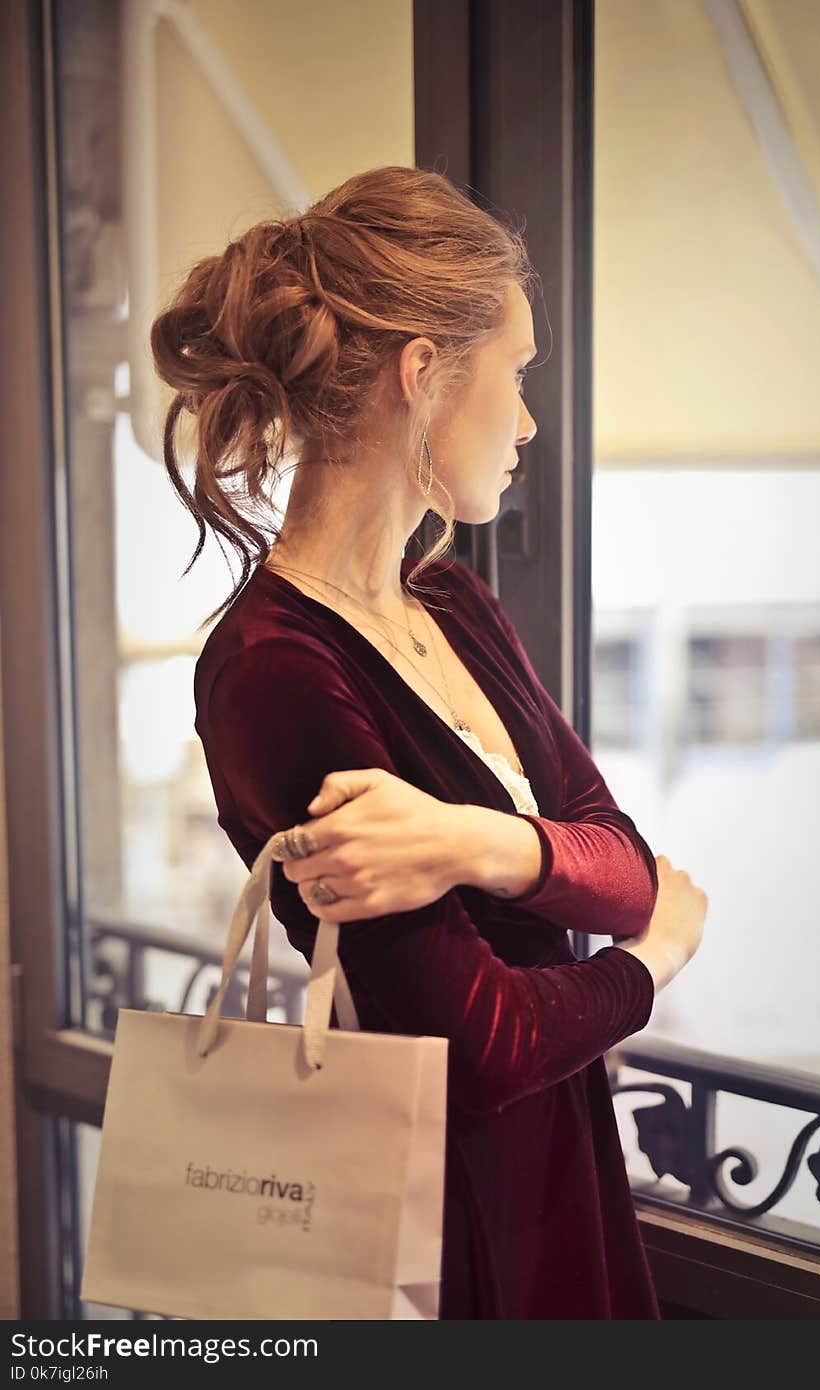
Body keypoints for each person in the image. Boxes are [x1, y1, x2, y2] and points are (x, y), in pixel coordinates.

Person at [151, 166, 708, 1319]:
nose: (527, 422)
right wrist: (652, 962)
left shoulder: (451, 602)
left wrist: (471, 841)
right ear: (421, 374)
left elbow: (620, 857)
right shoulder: (272, 670)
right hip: (438, 1216)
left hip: (555, 1169)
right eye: (513, 376)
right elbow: (483, 1040)